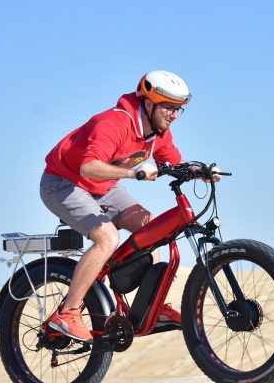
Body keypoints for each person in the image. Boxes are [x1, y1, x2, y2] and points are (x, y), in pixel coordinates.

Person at [39, 70, 191, 342]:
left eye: (178, 109)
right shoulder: (114, 123)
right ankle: (68, 312)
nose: (174, 115)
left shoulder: (158, 133)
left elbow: (175, 163)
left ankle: (151, 308)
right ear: (148, 103)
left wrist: (203, 172)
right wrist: (134, 173)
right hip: (63, 183)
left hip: (103, 187)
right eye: (168, 107)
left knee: (153, 229)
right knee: (108, 237)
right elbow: (89, 167)